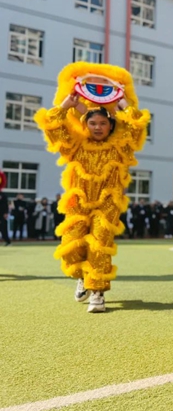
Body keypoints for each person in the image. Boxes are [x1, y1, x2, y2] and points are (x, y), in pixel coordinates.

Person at [35, 64, 150, 313]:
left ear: (110, 126)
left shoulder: (120, 148)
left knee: (100, 243)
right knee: (71, 246)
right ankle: (82, 277)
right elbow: (52, 127)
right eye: (93, 123)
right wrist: (67, 104)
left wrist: (121, 105)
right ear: (86, 125)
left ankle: (97, 293)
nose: (98, 127)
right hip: (77, 201)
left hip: (107, 203)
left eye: (102, 123)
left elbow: (136, 126)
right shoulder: (74, 146)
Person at [0, 171, 10, 246]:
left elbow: (5, 205)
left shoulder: (3, 195)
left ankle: (7, 241)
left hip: (2, 214)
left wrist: (6, 213)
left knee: (3, 228)